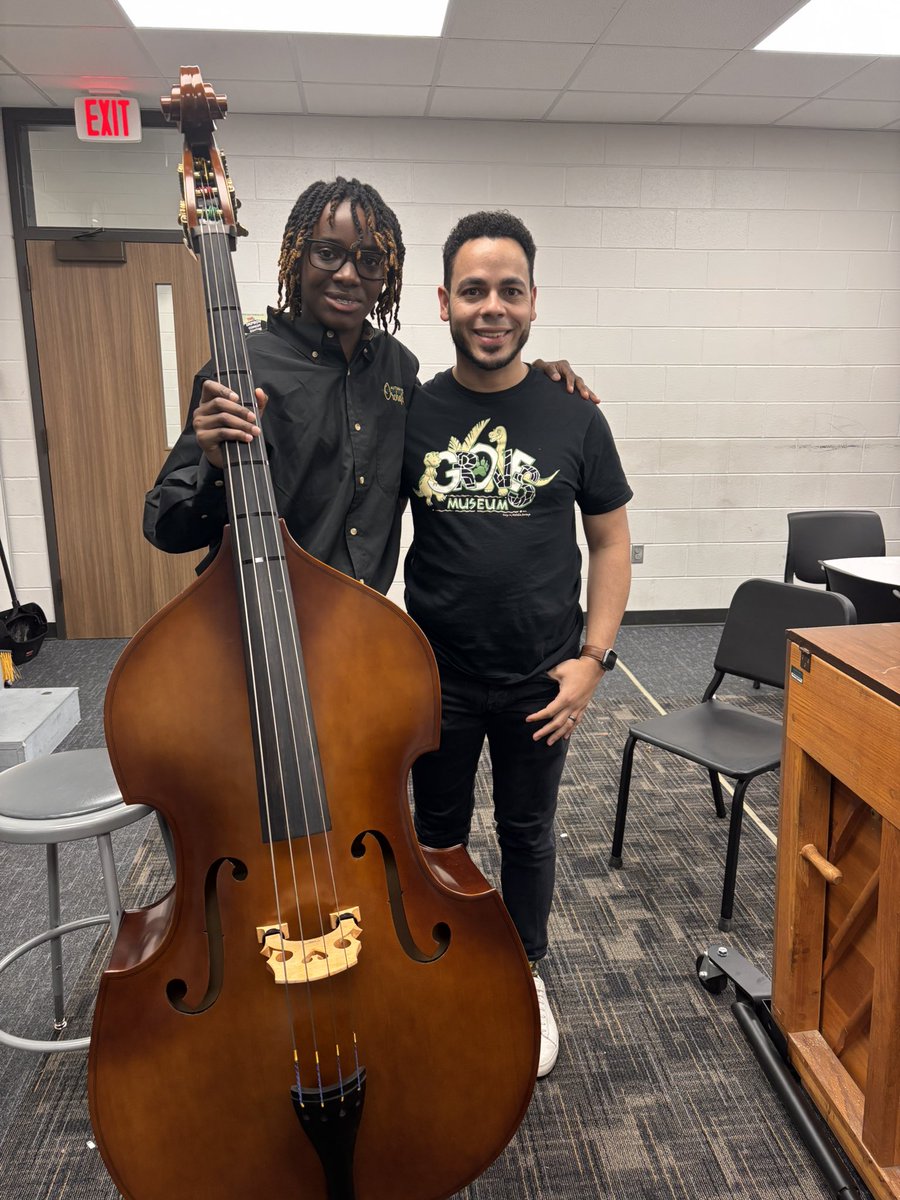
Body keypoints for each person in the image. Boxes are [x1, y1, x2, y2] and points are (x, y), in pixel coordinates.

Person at [402, 211, 632, 1077]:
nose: (490, 306)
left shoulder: (573, 415)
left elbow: (609, 542)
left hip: (546, 679)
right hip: (439, 677)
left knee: (529, 834)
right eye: (473, 290)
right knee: (439, 835)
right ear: (445, 303)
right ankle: (441, 965)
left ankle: (524, 972)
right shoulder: (416, 413)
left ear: (534, 303)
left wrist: (593, 661)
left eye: (509, 290)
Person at [143, 177, 590, 590]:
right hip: (262, 621)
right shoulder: (242, 367)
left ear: (387, 275)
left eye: (369, 260)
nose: (348, 274)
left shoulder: (396, 368)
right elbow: (166, 529)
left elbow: (459, 409)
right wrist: (214, 469)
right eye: (327, 252)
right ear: (297, 255)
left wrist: (531, 377)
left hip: (364, 630)